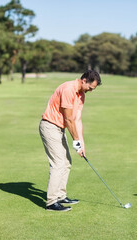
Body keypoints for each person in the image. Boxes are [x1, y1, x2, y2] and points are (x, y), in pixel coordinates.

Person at [39, 70, 102, 211]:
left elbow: (77, 119)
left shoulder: (81, 95)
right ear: (84, 80)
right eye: (90, 88)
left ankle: (61, 196)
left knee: (66, 162)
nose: (90, 91)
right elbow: (68, 119)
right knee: (58, 163)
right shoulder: (68, 89)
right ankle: (51, 202)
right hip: (49, 126)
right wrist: (75, 141)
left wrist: (81, 143)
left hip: (59, 128)